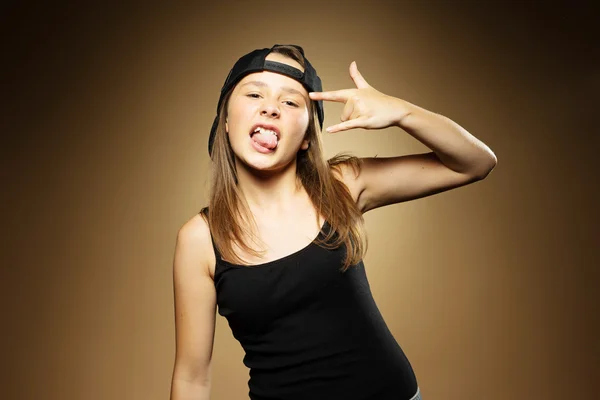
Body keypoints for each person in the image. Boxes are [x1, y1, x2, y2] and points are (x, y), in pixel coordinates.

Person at [169, 44, 497, 400]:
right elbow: (191, 378)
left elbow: (475, 163)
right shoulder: (199, 239)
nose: (270, 107)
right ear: (227, 120)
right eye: (253, 93)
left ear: (309, 137)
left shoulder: (342, 185)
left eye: (291, 102)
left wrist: (402, 113)